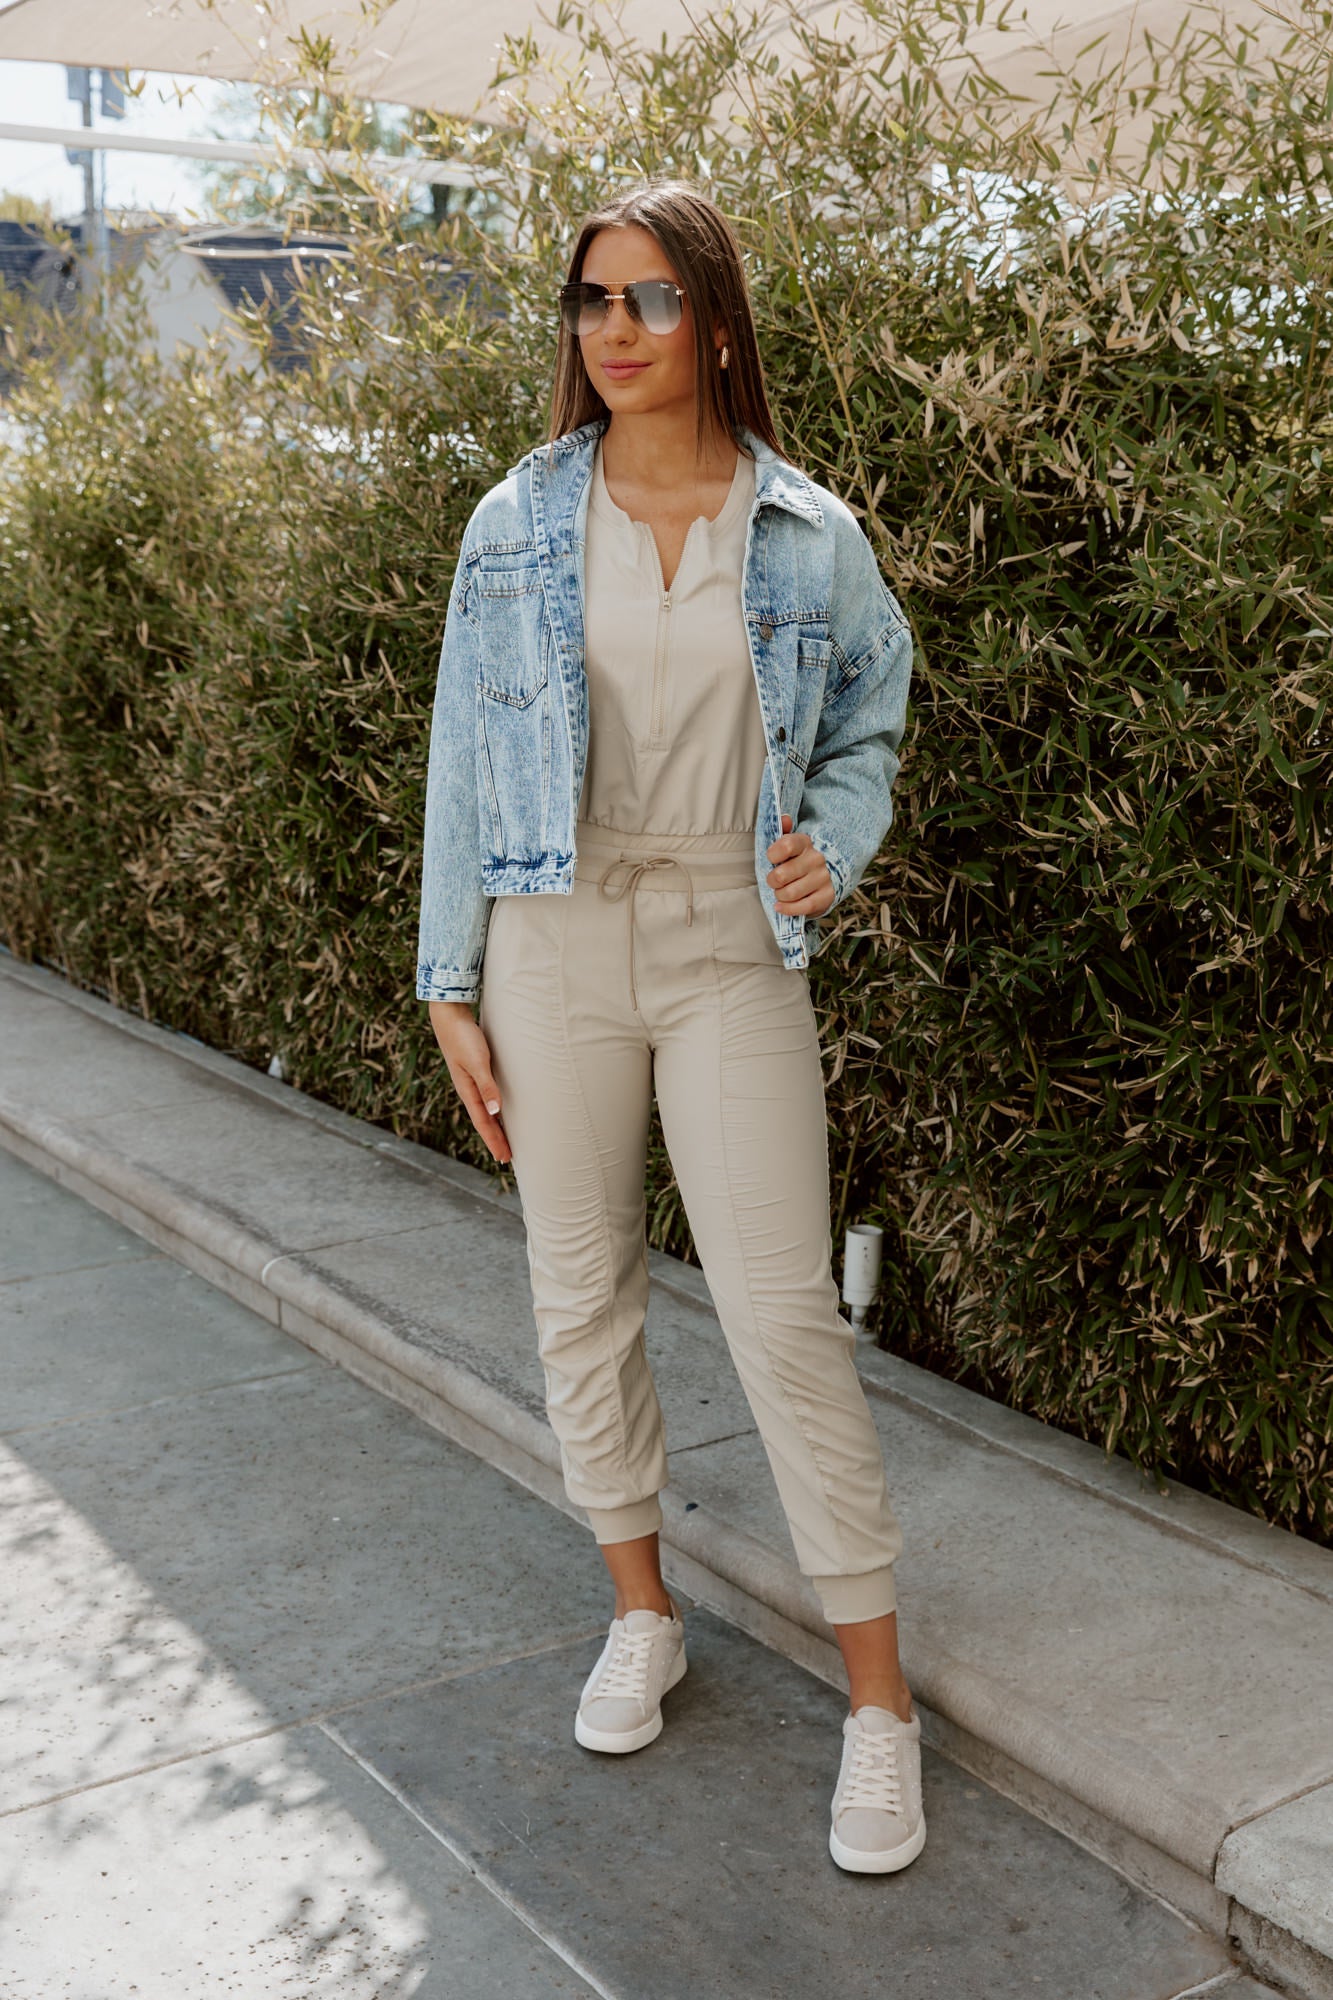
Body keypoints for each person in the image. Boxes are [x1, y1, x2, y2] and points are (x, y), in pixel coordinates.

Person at [417, 179, 922, 1874]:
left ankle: (879, 1709)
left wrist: (831, 841)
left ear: (712, 321)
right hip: (551, 936)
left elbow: (870, 713)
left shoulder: (804, 531)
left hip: (726, 942)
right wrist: (446, 979)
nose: (614, 330)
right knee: (580, 1291)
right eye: (591, 299)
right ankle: (641, 1612)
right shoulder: (514, 518)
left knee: (781, 1317)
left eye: (647, 298)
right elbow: (460, 755)